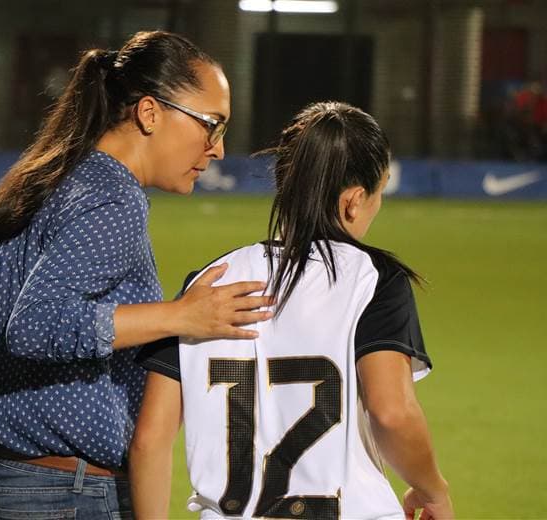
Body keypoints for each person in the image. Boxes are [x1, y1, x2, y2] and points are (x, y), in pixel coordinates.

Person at [0, 31, 274, 519]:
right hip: (59, 497)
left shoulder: (50, 177)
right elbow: (34, 325)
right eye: (211, 124)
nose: (218, 149)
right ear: (149, 113)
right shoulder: (113, 199)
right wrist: (180, 316)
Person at [131, 101, 454, 519]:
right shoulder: (372, 279)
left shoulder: (209, 284)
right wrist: (433, 490)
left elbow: (149, 440)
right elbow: (391, 412)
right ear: (354, 201)